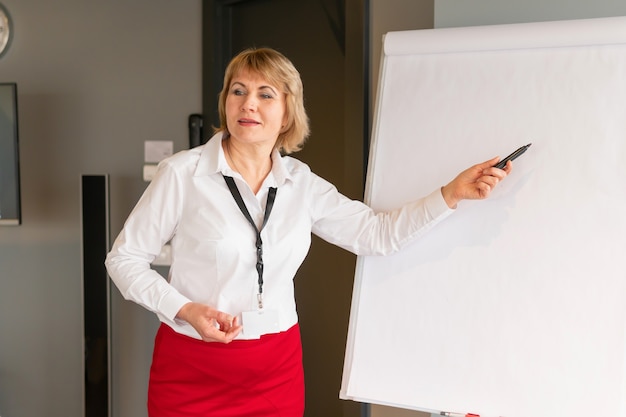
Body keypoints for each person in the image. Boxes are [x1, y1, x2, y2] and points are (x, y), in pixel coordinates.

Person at [105, 47, 511, 417]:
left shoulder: (302, 183)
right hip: (192, 368)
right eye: (238, 91)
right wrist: (185, 309)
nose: (249, 104)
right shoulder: (182, 173)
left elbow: (376, 234)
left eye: (266, 94)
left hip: (274, 371)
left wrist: (451, 194)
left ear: (287, 111)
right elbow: (124, 259)